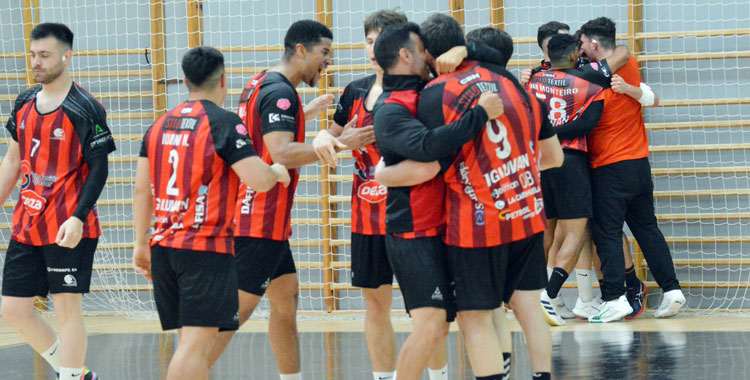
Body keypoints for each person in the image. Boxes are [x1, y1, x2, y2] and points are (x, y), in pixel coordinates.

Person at [377, 20, 562, 380]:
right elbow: (553, 157)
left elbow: (431, 161)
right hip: (525, 208)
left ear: (430, 53)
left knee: (475, 318)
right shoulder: (511, 81)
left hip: (476, 220)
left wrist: (383, 173)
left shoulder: (433, 93)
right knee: (527, 306)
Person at [132, 46, 290, 380]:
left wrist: (139, 244)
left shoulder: (158, 126)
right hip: (204, 249)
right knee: (194, 347)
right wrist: (276, 171)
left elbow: (141, 190)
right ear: (223, 80)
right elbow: (258, 181)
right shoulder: (224, 124)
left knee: (191, 345)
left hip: (163, 248)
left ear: (186, 81)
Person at [312, 9, 449, 380]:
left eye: (382, 41)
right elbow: (332, 136)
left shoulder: (422, 89)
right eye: (369, 41)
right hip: (367, 217)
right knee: (375, 305)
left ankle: (438, 376)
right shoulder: (355, 91)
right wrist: (325, 137)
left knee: (427, 313)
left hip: (415, 219)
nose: (374, 49)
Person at [206, 20, 341, 380]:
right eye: (323, 53)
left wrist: (304, 114)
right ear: (300, 50)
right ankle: (188, 372)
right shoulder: (280, 94)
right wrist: (337, 143)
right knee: (232, 315)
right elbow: (280, 152)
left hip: (265, 217)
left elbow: (256, 131)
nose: (327, 62)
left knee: (286, 300)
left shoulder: (260, 83)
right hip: (259, 219)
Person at [372, 22, 505, 380]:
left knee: (451, 324)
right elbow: (430, 146)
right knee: (431, 325)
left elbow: (498, 55)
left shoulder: (426, 89)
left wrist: (464, 50)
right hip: (413, 233)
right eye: (422, 49)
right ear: (405, 55)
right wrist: (481, 113)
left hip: (449, 226)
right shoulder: (389, 109)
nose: (430, 56)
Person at [0, 22, 116, 380]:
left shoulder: (85, 107)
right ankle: (74, 372)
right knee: (14, 309)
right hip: (27, 223)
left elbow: (99, 169)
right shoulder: (22, 102)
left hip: (68, 226)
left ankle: (69, 376)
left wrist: (79, 217)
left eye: (44, 55)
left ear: (66, 57)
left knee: (68, 312)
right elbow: (11, 159)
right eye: (33, 55)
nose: (36, 62)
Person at [578, 17, 684, 323]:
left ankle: (614, 297)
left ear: (594, 44)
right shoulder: (630, 65)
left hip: (610, 167)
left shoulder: (593, 81)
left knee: (607, 233)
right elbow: (649, 95)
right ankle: (672, 290)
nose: (581, 49)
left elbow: (648, 97)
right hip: (639, 164)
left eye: (583, 44)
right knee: (647, 228)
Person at [528, 33, 631, 324]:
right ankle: (548, 295)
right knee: (575, 234)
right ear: (575, 55)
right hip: (571, 163)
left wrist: (545, 135)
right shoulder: (589, 82)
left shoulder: (533, 81)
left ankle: (531, 290)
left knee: (545, 233)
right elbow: (589, 123)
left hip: (540, 162)